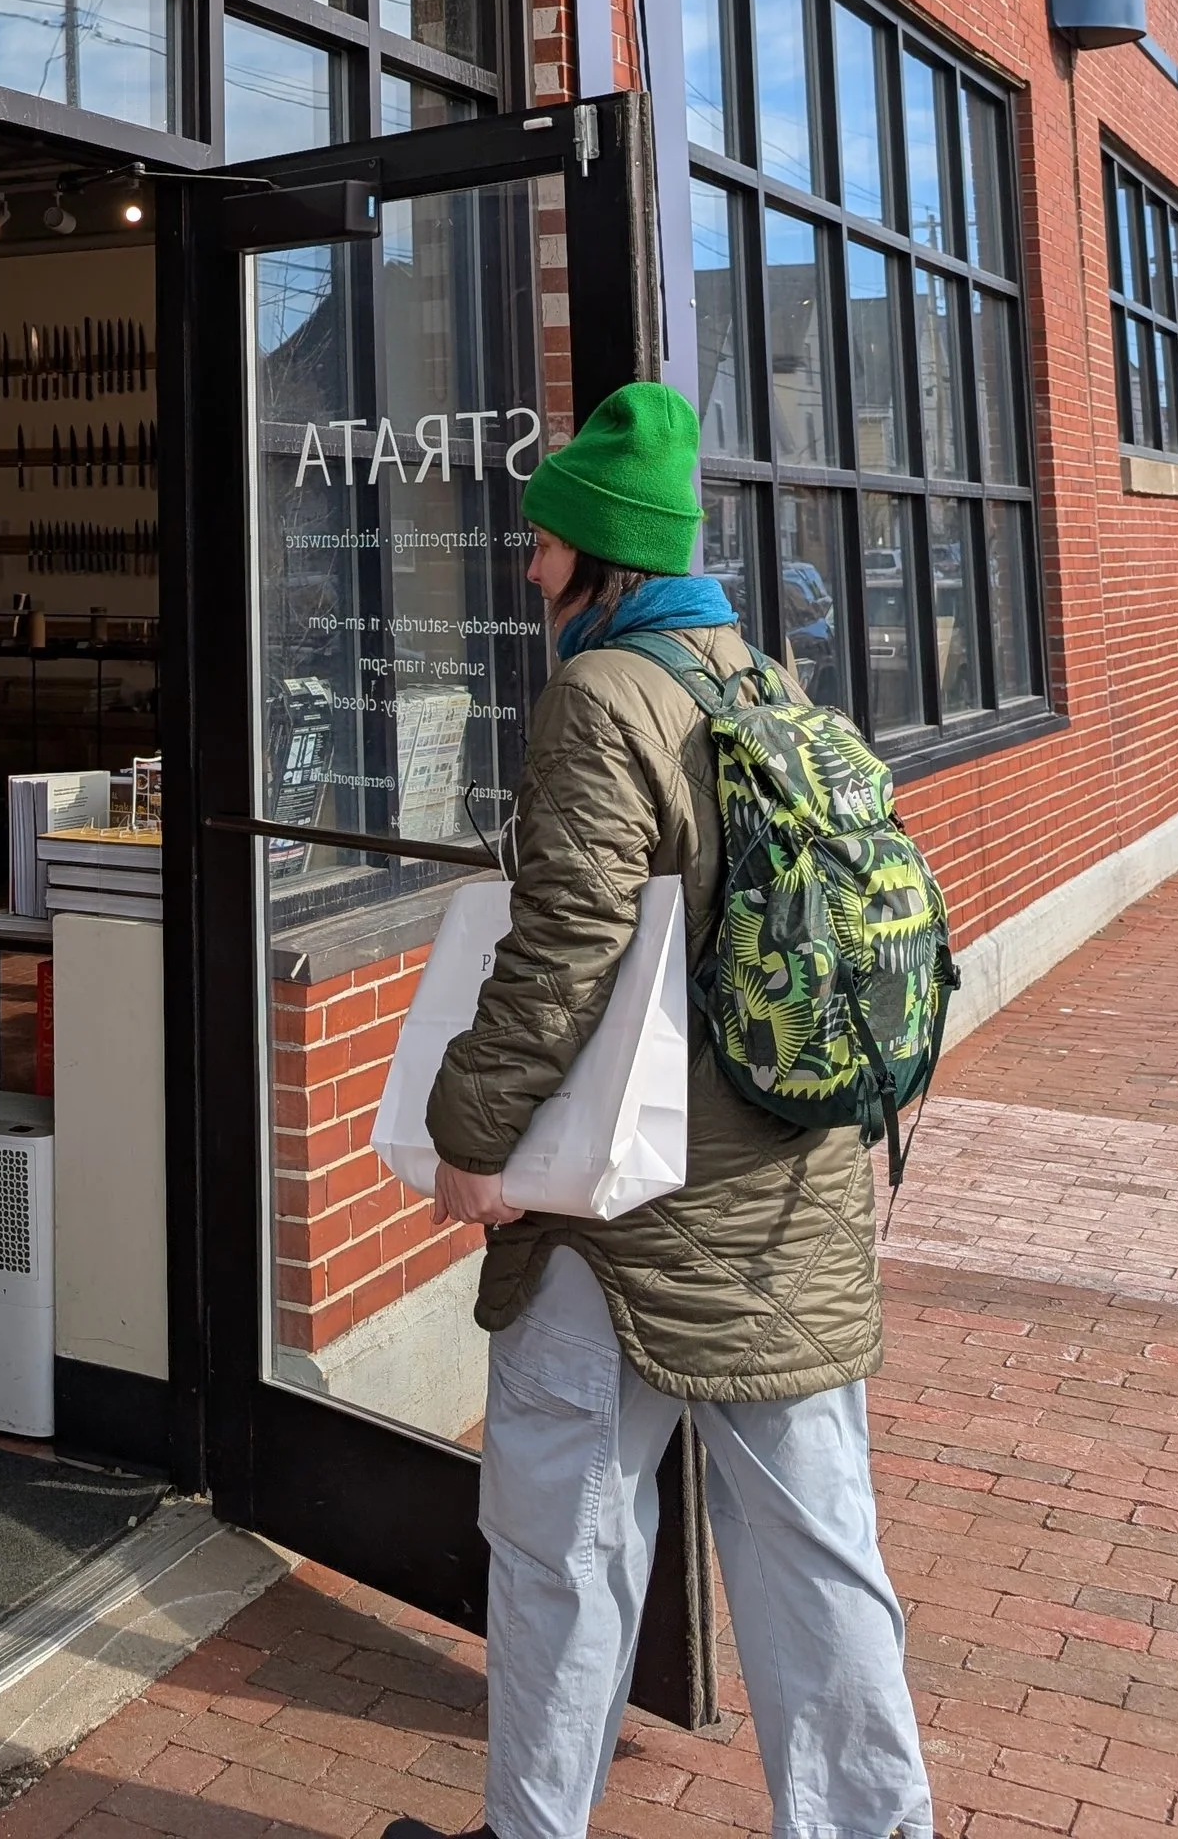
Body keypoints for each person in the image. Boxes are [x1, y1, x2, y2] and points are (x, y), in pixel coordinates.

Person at [382, 381, 932, 1839]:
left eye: (544, 548)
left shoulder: (598, 700)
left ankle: (536, 1827)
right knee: (820, 1557)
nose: (527, 569)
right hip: (789, 1208)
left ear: (596, 560)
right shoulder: (760, 682)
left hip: (616, 1220)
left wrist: (467, 1139)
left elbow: (562, 949)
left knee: (562, 1543)